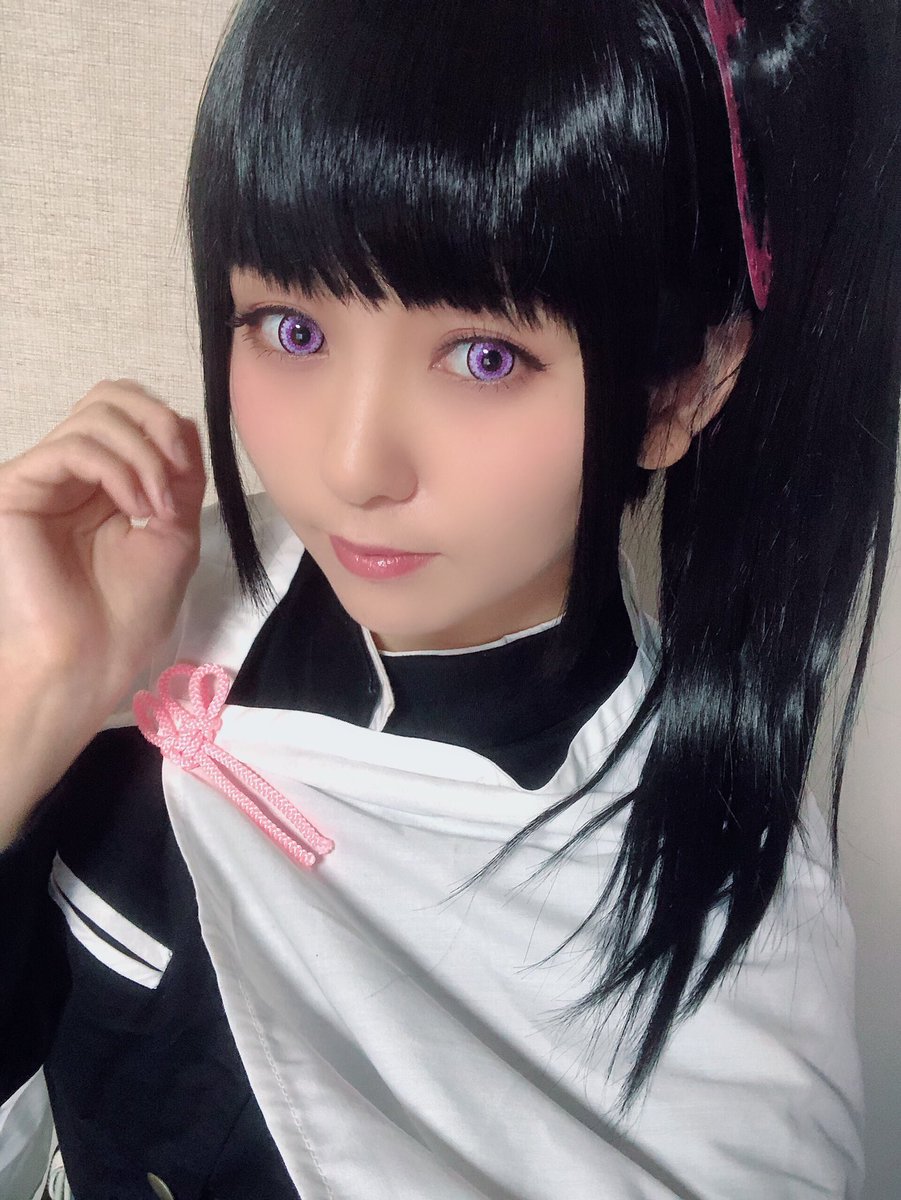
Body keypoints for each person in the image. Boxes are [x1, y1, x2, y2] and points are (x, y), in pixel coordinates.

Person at [1, 0, 899, 1197]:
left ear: (680, 390)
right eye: (290, 328)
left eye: (485, 357)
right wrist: (27, 701)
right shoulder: (132, 605)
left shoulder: (729, 919)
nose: (353, 466)